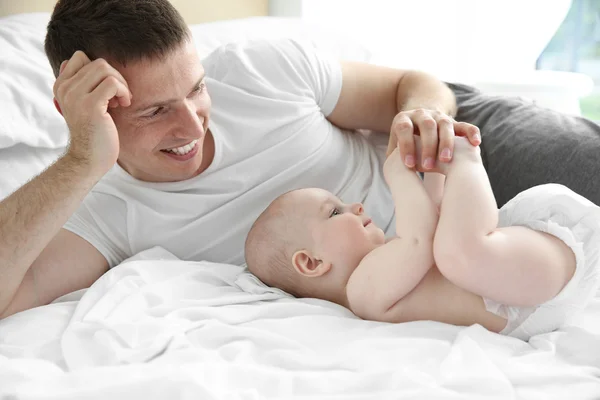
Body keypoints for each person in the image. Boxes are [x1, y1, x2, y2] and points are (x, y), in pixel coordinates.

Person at [0, 0, 599, 319]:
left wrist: (422, 123)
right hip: (425, 268)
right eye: (154, 112)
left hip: (450, 154)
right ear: (77, 110)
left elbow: (411, 85)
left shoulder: (259, 67)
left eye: (197, 89)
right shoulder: (105, 211)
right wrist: (81, 160)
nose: (191, 124)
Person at [245, 136, 600, 340]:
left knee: (455, 249)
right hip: (530, 294)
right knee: (454, 252)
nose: (354, 205)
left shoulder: (390, 264)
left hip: (534, 267)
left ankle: (455, 161)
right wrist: (396, 171)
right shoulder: (362, 291)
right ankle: (466, 159)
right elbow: (422, 237)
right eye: (334, 212)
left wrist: (432, 171)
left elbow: (432, 219)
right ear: (311, 263)